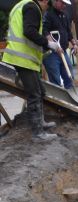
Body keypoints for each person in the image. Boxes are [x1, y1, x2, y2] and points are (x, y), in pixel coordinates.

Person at [2, 0, 61, 141]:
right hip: (22, 58)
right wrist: (48, 43)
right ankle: (38, 133)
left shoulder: (22, 5)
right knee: (34, 94)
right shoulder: (32, 8)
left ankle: (40, 123)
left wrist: (46, 47)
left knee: (40, 91)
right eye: (47, 5)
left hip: (22, 58)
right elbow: (29, 31)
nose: (46, 9)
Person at [42, 0, 78, 89]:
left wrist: (74, 43)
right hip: (51, 54)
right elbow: (44, 31)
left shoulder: (64, 15)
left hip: (63, 52)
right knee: (55, 82)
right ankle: (57, 101)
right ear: (55, 1)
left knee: (69, 78)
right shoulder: (48, 14)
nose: (64, 5)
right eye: (62, 3)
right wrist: (53, 44)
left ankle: (71, 100)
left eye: (65, 4)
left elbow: (68, 32)